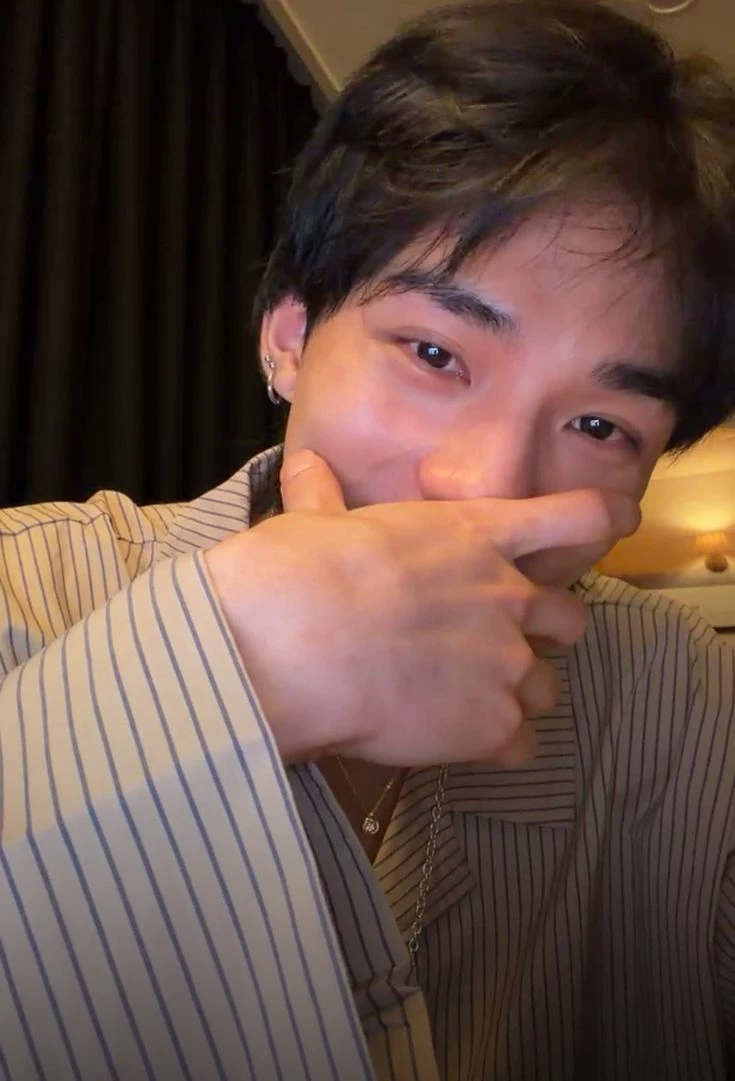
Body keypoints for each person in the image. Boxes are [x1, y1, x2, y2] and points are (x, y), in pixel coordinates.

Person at [1, 0, 735, 1078]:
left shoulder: (679, 698)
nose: (483, 485)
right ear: (290, 338)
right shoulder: (24, 586)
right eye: (434, 354)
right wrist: (229, 675)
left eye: (597, 426)